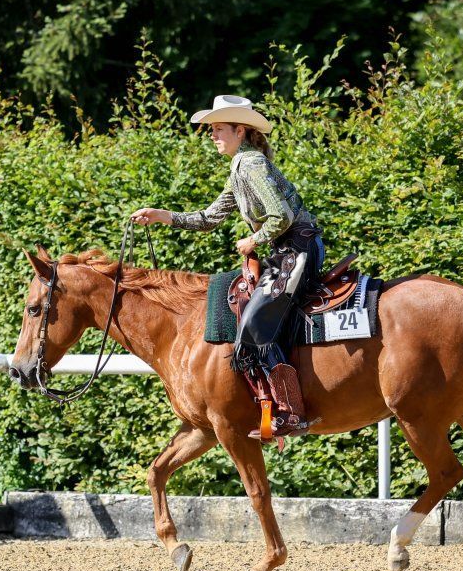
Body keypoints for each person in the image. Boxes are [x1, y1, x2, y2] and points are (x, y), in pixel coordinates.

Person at [130, 94, 325, 439]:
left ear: (240, 130)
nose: (212, 135)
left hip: (299, 251)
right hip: (285, 253)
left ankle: (292, 411)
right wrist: (162, 216)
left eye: (219, 129)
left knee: (255, 321)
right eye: (212, 129)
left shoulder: (251, 164)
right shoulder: (240, 166)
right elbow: (209, 218)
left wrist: (254, 240)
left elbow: (283, 216)